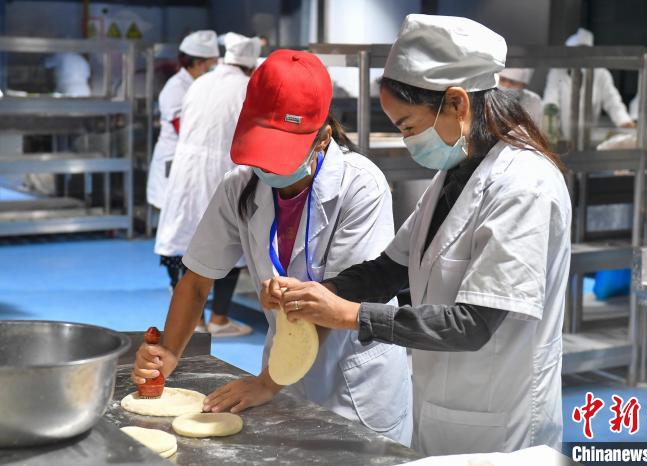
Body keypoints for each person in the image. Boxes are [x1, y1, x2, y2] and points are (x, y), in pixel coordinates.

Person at [262, 14, 571, 455]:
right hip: (442, 405)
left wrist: (351, 316)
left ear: (458, 104)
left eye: (408, 126)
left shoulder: (525, 185)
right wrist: (316, 293)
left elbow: (473, 324)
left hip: (503, 420)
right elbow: (391, 269)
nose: (407, 140)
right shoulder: (458, 173)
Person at [133, 50, 413, 445]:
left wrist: (268, 381)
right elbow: (197, 280)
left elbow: (341, 299)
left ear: (323, 138)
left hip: (353, 378)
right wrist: (170, 352)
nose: (270, 169)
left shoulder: (361, 187)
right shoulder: (241, 186)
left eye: (282, 155)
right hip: (285, 362)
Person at [154, 33, 261, 337]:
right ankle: (218, 319)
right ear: (251, 65)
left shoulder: (201, 82)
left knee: (183, 239)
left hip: (187, 170)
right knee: (229, 244)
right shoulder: (247, 87)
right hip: (224, 169)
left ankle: (193, 322)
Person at [146, 30, 220, 213]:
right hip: (174, 162)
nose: (216, 69)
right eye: (213, 65)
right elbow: (185, 129)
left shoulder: (201, 84)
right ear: (199, 63)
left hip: (191, 164)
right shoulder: (176, 88)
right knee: (174, 220)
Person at [543, 27, 634, 140]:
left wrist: (625, 123)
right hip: (561, 138)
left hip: (588, 139)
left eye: (583, 52)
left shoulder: (601, 74)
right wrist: (550, 133)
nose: (579, 57)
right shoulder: (557, 72)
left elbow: (613, 102)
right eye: (575, 52)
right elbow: (550, 103)